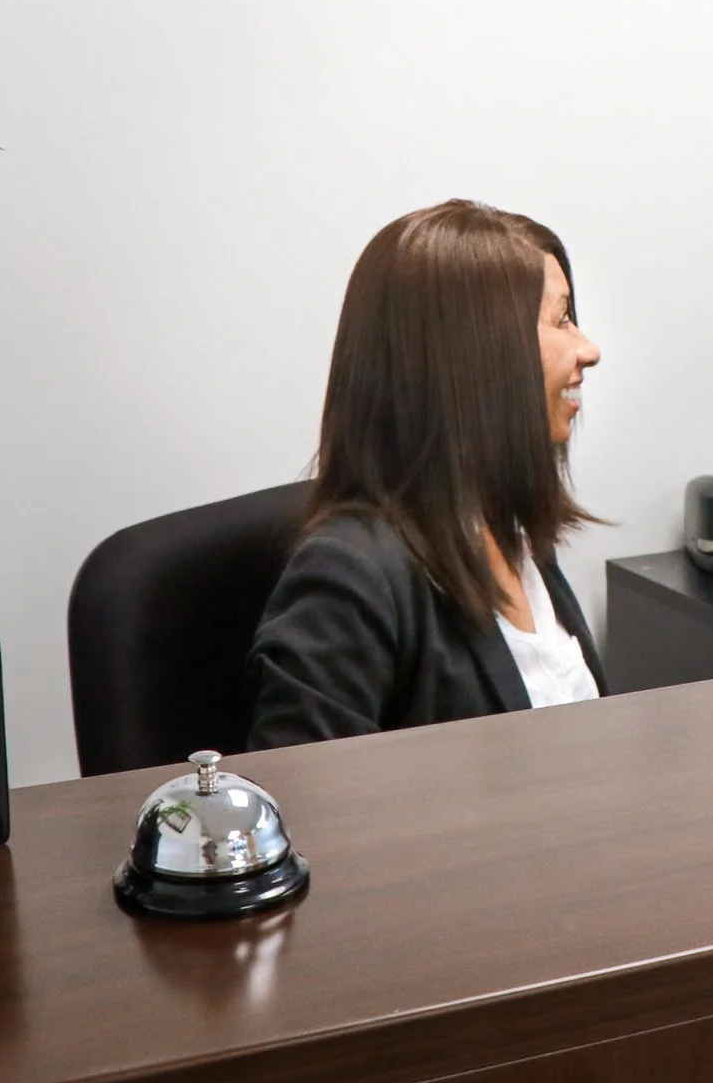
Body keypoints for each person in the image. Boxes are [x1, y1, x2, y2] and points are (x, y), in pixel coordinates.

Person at [245, 200, 607, 746]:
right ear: (474, 359)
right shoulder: (349, 578)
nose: (588, 350)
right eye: (559, 320)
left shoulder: (511, 531)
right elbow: (303, 795)